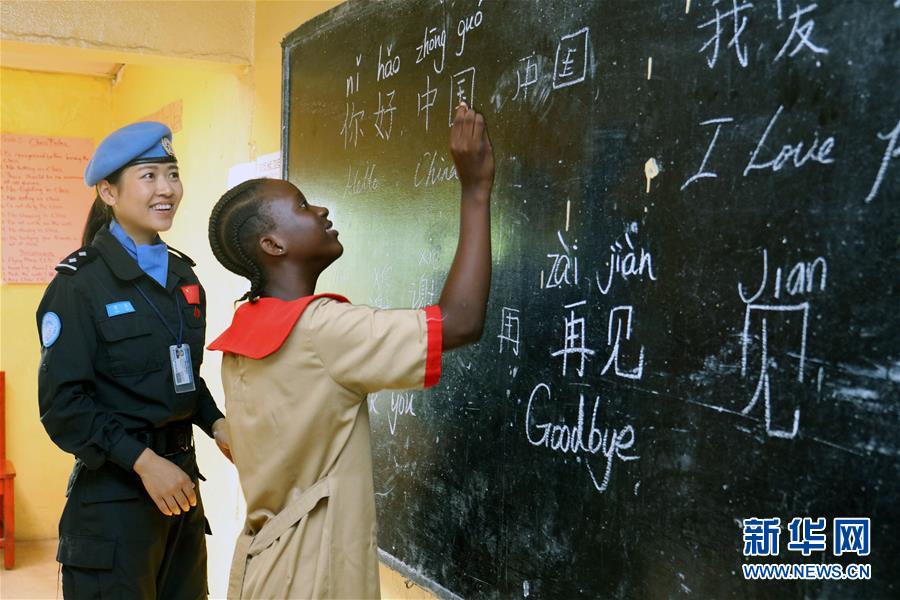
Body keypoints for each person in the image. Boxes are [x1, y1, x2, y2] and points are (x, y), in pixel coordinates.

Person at [206, 102, 494, 599]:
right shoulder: (322, 330)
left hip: (268, 571)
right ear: (273, 245)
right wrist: (475, 189)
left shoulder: (243, 333)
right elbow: (461, 322)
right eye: (301, 207)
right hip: (316, 581)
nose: (320, 210)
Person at [36, 121, 232, 599]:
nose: (166, 189)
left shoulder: (183, 276)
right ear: (108, 191)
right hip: (114, 500)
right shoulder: (78, 285)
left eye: (172, 173)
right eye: (148, 176)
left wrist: (218, 424)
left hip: (181, 488)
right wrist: (144, 463)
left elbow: (181, 374)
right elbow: (64, 405)